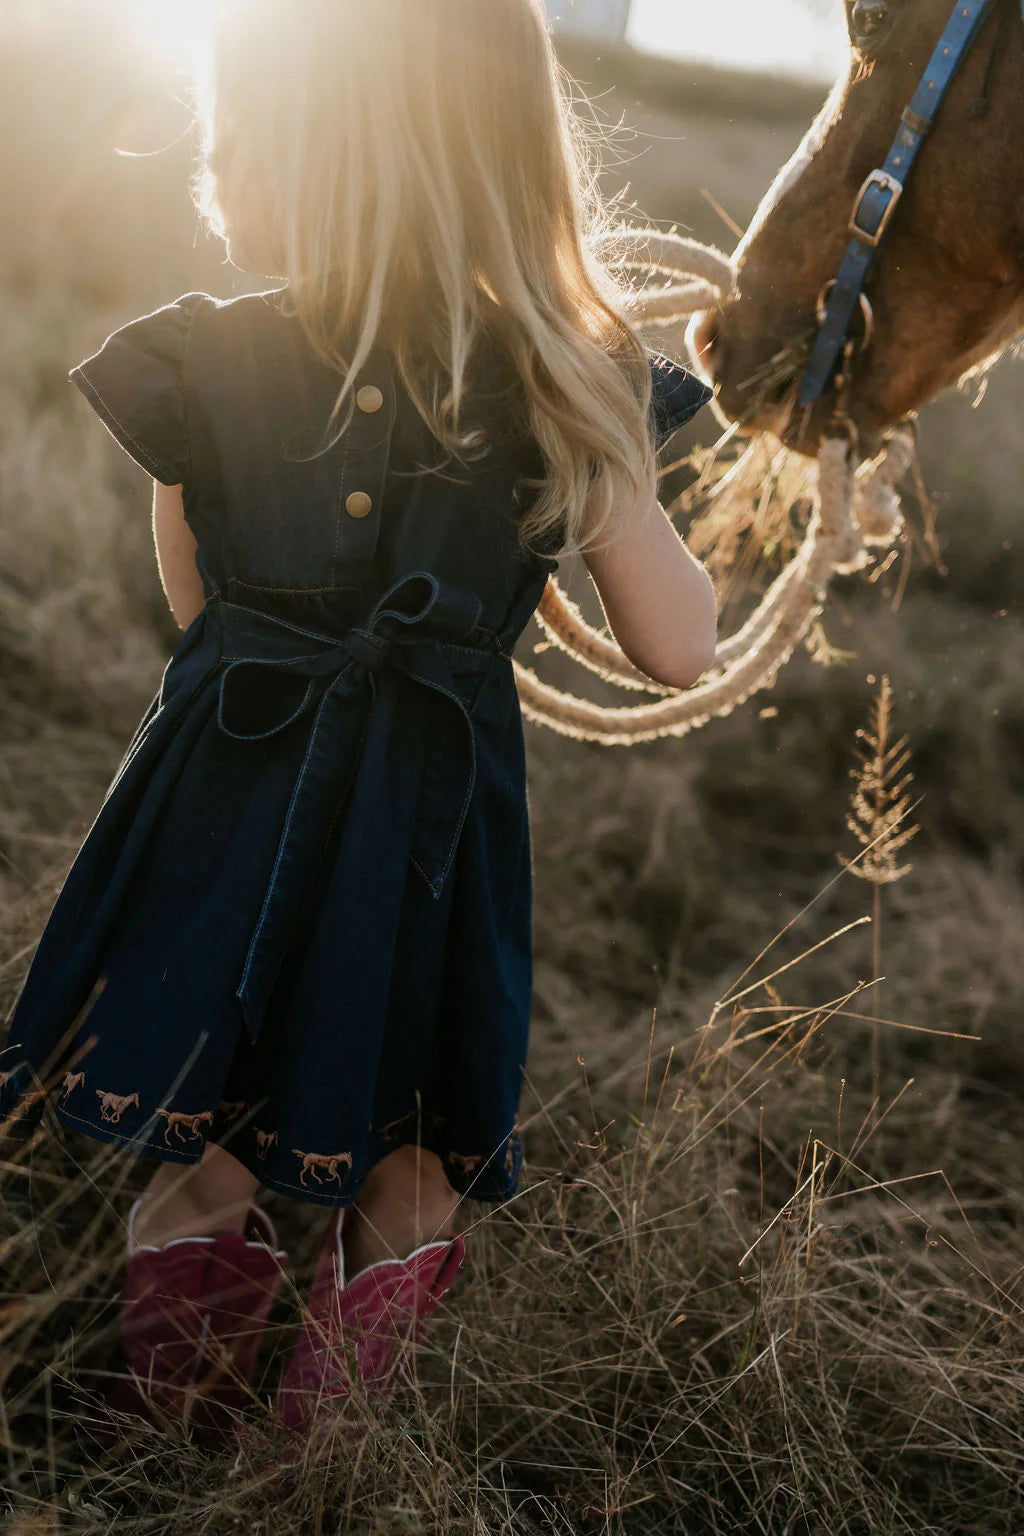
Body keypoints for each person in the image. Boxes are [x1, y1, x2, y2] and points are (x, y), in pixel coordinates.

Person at [0, 0, 716, 1445]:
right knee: (406, 1167)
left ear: (308, 148)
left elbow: (194, 608)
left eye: (235, 135)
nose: (217, 171)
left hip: (221, 804)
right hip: (422, 850)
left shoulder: (202, 359)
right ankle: (332, 1469)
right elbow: (677, 645)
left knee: (196, 1148)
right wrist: (606, 454)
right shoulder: (567, 382)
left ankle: (177, 1441)